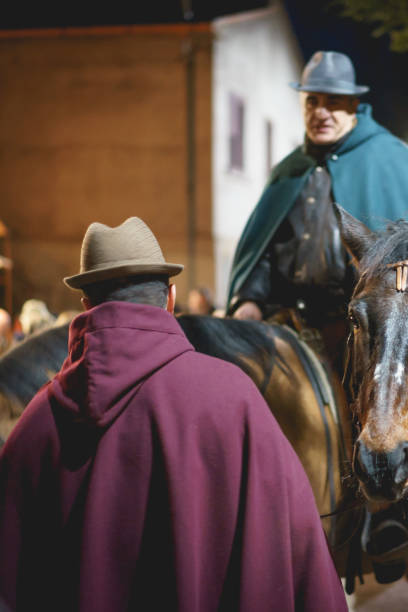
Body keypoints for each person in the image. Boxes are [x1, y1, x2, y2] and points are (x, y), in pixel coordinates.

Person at [0, 217, 348, 612]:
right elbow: (301, 557)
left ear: (85, 305)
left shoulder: (37, 425)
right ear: (170, 297)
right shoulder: (234, 399)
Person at [227, 50, 408, 325]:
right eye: (312, 101)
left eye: (333, 102)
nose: (321, 113)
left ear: (353, 105)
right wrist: (249, 299)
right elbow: (264, 248)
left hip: (356, 326)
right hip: (283, 319)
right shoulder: (290, 169)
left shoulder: (389, 157)